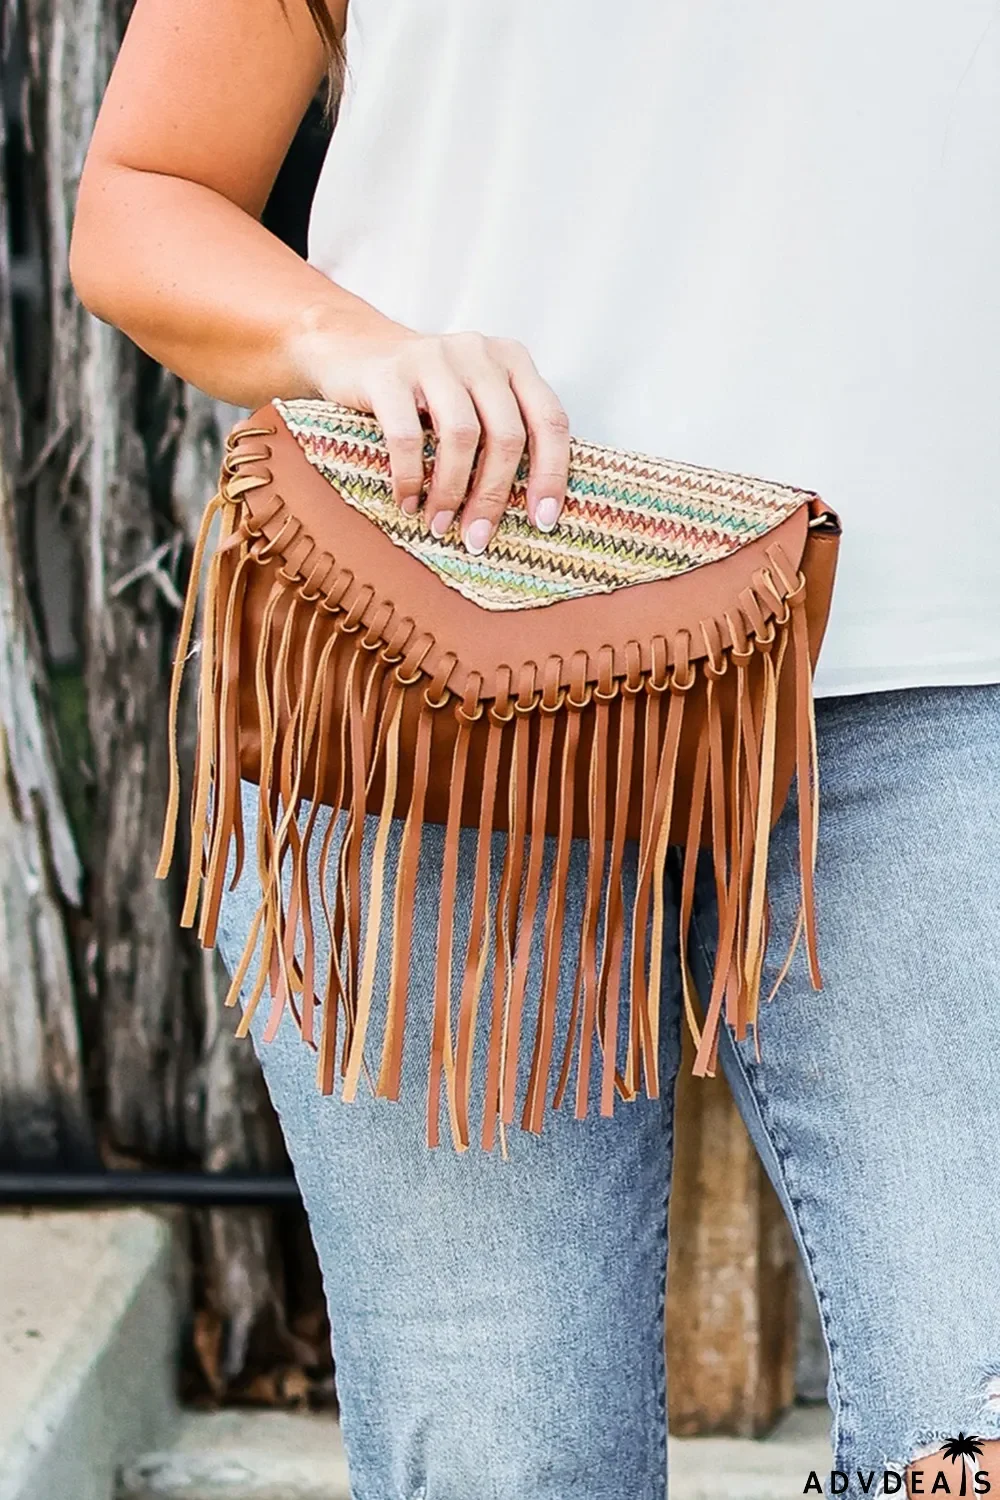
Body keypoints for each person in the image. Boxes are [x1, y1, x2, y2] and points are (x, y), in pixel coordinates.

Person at [70, 2, 1000, 1494]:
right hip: (446, 688)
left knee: (977, 1430)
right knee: (510, 1463)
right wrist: (347, 340)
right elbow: (142, 194)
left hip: (942, 686)